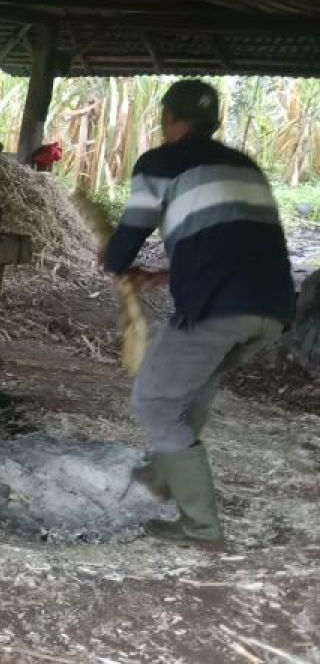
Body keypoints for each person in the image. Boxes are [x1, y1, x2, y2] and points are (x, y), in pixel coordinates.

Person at [104, 79, 295, 551]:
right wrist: (161, 276)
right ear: (214, 123)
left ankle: (199, 526)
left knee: (154, 400)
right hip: (271, 309)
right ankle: (165, 473)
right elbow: (234, 242)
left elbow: (128, 235)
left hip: (217, 308)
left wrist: (115, 262)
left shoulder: (162, 162)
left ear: (170, 119)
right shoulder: (244, 165)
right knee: (192, 388)